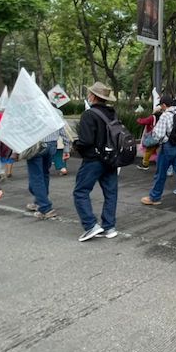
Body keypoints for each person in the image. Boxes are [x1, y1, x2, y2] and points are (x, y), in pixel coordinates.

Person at [72, 81, 120, 241]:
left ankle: (91, 225)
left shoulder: (89, 114)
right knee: (111, 193)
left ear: (93, 96)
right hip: (111, 158)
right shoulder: (112, 113)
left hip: (94, 160)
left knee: (80, 191)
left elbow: (86, 141)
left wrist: (75, 144)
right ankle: (109, 227)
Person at [140, 95, 176, 208]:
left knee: (160, 174)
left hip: (168, 147)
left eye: (161, 105)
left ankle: (154, 197)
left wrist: (149, 140)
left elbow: (158, 135)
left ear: (164, 105)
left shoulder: (165, 116)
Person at [23, 110, 69, 220]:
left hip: (37, 145)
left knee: (36, 177)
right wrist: (66, 148)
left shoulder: (32, 112)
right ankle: (40, 200)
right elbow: (63, 131)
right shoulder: (56, 112)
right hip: (52, 145)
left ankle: (45, 207)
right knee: (44, 174)